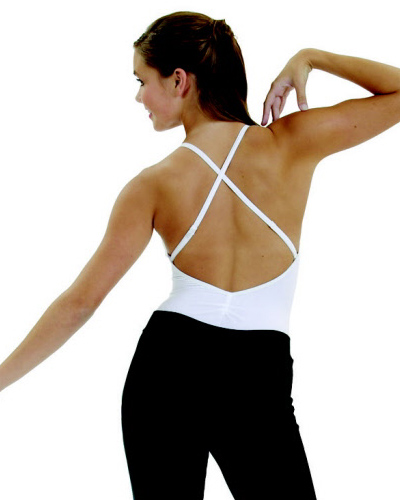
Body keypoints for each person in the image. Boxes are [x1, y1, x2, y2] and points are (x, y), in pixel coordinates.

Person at [1, 9, 399, 500]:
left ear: (179, 80)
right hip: (258, 372)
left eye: (141, 80)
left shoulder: (151, 185)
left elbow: (79, 303)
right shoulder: (294, 142)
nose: (138, 97)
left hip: (168, 367)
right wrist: (311, 57)